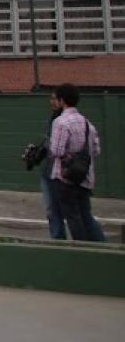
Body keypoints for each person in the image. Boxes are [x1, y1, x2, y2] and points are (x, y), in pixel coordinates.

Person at [47, 83, 105, 242]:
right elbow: (96, 150)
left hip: (66, 177)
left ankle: (81, 250)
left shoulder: (60, 122)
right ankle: (100, 246)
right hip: (84, 177)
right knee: (85, 215)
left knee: (73, 217)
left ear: (61, 100)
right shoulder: (87, 124)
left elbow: (57, 151)